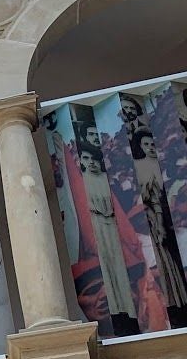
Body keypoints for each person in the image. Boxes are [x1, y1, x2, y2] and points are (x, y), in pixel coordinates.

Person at [133, 126, 187, 318]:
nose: (150, 147)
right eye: (145, 144)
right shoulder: (143, 177)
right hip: (159, 234)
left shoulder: (168, 172)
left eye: (152, 143)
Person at [79, 148, 136, 328]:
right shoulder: (81, 192)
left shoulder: (110, 187)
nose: (91, 162)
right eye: (86, 159)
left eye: (93, 159)